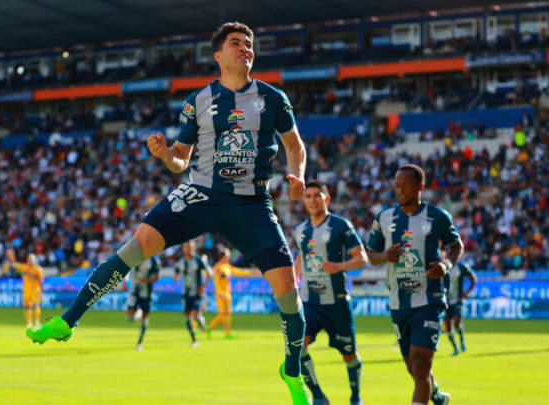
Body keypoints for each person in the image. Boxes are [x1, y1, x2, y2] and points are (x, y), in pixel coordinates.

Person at [26, 21, 311, 404]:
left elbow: (295, 145)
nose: (245, 48)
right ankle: (67, 321)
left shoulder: (273, 98)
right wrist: (165, 155)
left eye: (249, 44)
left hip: (251, 203)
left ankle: (291, 370)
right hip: (201, 192)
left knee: (289, 294)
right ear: (218, 55)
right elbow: (181, 160)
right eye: (236, 43)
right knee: (138, 243)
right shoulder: (198, 101)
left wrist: (298, 175)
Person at [367, 165, 463, 405]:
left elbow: (456, 245)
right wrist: (384, 256)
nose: (399, 190)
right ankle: (437, 396)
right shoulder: (385, 217)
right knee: (413, 367)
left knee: (421, 364)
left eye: (405, 185)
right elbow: (371, 253)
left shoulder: (438, 216)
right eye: (396, 185)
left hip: (429, 300)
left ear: (420, 186)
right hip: (399, 302)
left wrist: (446, 265)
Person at [293, 180, 368, 405]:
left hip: (336, 303)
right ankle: (318, 396)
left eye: (317, 195)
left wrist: (339, 266)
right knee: (298, 346)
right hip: (310, 302)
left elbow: (361, 257)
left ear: (327, 198)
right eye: (308, 196)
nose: (312, 200)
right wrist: (292, 286)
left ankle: (355, 397)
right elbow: (300, 258)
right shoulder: (300, 230)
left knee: (349, 355)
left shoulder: (341, 225)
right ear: (304, 200)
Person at [207, 247, 255, 339]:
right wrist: (220, 292)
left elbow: (238, 271)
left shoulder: (227, 266)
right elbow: (216, 281)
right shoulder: (217, 267)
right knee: (222, 315)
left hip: (227, 293)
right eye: (228, 255)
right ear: (223, 256)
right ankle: (209, 328)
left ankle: (227, 333)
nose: (229, 257)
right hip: (220, 294)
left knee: (228, 313)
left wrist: (249, 272)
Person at [174, 241, 212, 348]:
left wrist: (204, 286)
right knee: (187, 317)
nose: (188, 249)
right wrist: (176, 277)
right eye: (186, 247)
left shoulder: (198, 260)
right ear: (183, 249)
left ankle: (200, 319)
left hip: (197, 292)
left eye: (190, 247)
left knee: (194, 314)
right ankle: (194, 340)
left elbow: (209, 273)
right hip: (186, 292)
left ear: (194, 248)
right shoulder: (181, 262)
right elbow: (176, 273)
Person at [126, 255, 161, 351]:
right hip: (133, 290)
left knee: (145, 317)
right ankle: (138, 313)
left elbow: (157, 277)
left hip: (146, 292)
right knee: (130, 316)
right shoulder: (133, 254)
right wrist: (125, 281)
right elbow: (127, 269)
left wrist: (146, 280)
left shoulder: (154, 259)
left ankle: (139, 343)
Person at [444, 261, 477, 356]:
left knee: (457, 321)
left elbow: (473, 278)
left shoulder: (461, 266)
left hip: (458, 299)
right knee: (447, 325)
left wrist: (467, 292)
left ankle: (462, 340)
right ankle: (455, 348)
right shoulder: (441, 265)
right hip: (446, 300)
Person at [7, 249, 44, 327]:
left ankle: (37, 321)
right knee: (27, 306)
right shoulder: (24, 267)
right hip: (26, 290)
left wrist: (41, 292)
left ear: (34, 260)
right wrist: (11, 257)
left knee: (36, 304)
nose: (29, 261)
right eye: (28, 259)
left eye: (31, 259)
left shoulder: (38, 270)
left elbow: (41, 281)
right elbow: (14, 265)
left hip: (35, 289)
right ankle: (29, 322)